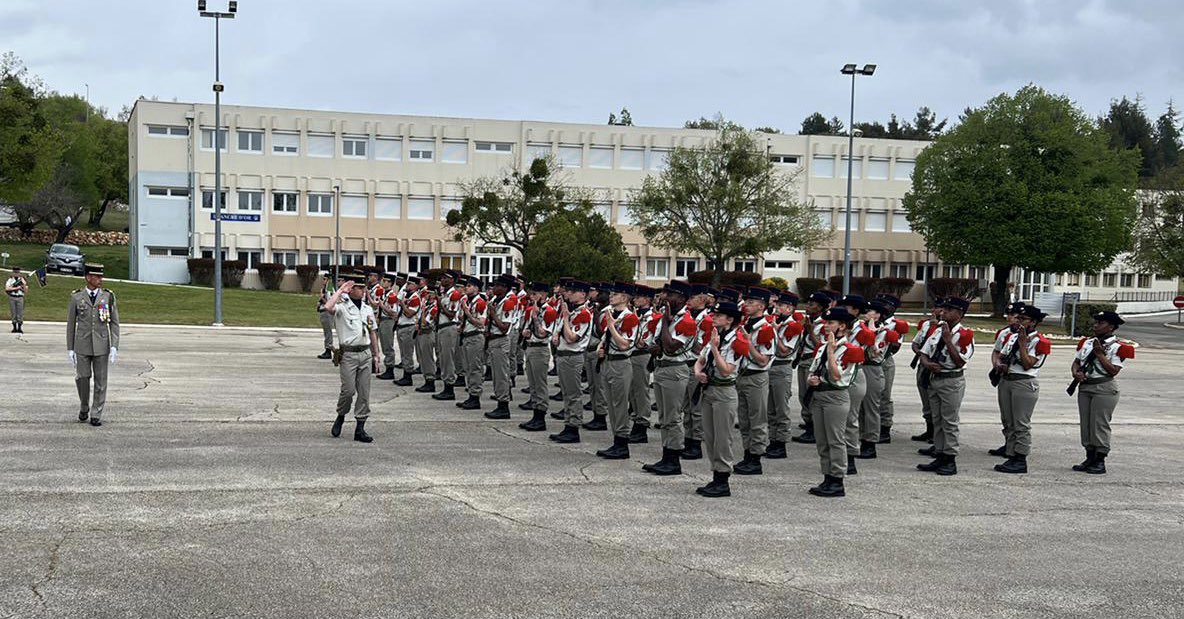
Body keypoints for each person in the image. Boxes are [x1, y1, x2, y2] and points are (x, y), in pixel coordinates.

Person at [691, 301, 748, 498]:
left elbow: (726, 370)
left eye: (719, 315)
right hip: (709, 390)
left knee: (723, 438)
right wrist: (698, 373)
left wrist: (715, 349)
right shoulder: (716, 337)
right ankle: (716, 476)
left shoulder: (737, 341)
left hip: (724, 392)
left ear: (730, 319)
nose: (714, 317)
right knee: (711, 436)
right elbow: (700, 360)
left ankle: (723, 480)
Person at [805, 307, 863, 498]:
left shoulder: (851, 350)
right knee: (822, 440)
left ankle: (837, 479)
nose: (826, 326)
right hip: (820, 395)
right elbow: (813, 371)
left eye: (831, 323)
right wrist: (811, 379)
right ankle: (827, 476)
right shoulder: (822, 347)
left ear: (842, 326)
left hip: (836, 397)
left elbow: (837, 375)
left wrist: (831, 352)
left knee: (835, 439)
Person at [641, 280, 698, 476]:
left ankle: (673, 459)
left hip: (675, 370)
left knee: (673, 418)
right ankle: (666, 456)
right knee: (664, 417)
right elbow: (654, 344)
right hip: (662, 368)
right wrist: (657, 345)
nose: (665, 297)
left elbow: (672, 346)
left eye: (670, 294)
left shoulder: (686, 321)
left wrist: (665, 321)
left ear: (681, 298)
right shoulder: (669, 318)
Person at [916, 297, 975, 476]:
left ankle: (950, 458)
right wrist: (927, 364)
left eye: (949, 310)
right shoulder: (937, 330)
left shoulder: (964, 335)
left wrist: (948, 341)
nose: (944, 312)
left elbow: (959, 361)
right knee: (938, 418)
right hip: (935, 378)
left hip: (951, 380)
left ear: (960, 314)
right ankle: (939, 453)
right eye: (944, 309)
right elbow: (924, 352)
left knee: (949, 421)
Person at [1070, 311, 1134, 475]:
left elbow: (1113, 370)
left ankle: (1100, 460)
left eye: (1101, 323)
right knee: (1086, 424)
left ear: (1111, 327)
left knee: (1099, 424)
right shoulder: (1087, 342)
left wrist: (1099, 354)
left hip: (1104, 388)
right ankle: (1089, 456)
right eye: (1096, 322)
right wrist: (1076, 373)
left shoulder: (1118, 347)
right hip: (1085, 387)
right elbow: (1077, 362)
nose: (1095, 325)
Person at [990, 304, 1051, 474]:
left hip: (1024, 383)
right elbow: (1001, 354)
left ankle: (1020, 458)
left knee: (1020, 423)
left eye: (1023, 319)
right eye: (1018, 318)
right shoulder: (1012, 337)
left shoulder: (1039, 341)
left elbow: (1027, 364)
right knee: (1008, 421)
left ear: (1033, 322)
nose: (1018, 321)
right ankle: (1010, 454)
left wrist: (1023, 344)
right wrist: (999, 364)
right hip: (1007, 379)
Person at [323, 273, 381, 443]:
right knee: (348, 391)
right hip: (348, 354)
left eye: (364, 287)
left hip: (365, 353)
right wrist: (341, 290)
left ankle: (360, 428)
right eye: (359, 288)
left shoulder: (367, 308)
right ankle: (341, 415)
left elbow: (372, 332)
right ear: (351, 289)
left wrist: (377, 355)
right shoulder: (342, 305)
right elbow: (328, 307)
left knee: (364, 392)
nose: (363, 291)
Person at [67, 264, 119, 427]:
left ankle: (96, 413)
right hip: (82, 344)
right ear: (88, 278)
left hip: (101, 344)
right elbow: (71, 324)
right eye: (96, 277)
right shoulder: (77, 297)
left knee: (101, 380)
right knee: (82, 377)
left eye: (101, 276)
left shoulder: (108, 296)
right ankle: (84, 406)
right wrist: (70, 347)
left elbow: (115, 323)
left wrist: (114, 345)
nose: (100, 280)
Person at [594, 283, 641, 459]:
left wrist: (612, 326)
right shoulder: (613, 314)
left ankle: (622, 444)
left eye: (615, 294)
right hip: (608, 362)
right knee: (612, 405)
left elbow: (624, 344)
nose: (611, 296)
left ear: (624, 297)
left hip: (621, 364)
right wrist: (600, 349)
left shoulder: (629, 318)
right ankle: (616, 440)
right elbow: (605, 337)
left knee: (620, 405)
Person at [733, 287, 776, 475]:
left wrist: (748, 343)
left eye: (751, 303)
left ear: (761, 305)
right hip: (742, 375)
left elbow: (763, 360)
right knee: (744, 420)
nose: (746, 306)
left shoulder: (765, 329)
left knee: (757, 420)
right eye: (746, 302)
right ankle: (747, 453)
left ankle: (756, 457)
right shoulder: (745, 325)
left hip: (756, 376)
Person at [854, 299, 900, 461]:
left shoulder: (884, 332)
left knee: (871, 408)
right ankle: (862, 438)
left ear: (878, 315)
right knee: (860, 408)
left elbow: (874, 353)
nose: (866, 314)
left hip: (872, 369)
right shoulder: (862, 328)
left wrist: (872, 333)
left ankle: (870, 442)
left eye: (870, 311)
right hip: (861, 368)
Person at [550, 280, 594, 443]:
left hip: (572, 355)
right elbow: (559, 333)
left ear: (583, 294)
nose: (568, 294)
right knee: (567, 394)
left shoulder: (583, 313)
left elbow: (571, 337)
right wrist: (556, 334)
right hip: (563, 354)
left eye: (573, 291)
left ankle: (573, 427)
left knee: (573, 394)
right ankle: (568, 424)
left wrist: (567, 318)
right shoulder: (570, 311)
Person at [767, 290, 804, 459]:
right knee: (770, 409)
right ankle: (772, 439)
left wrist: (774, 331)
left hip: (782, 367)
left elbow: (784, 351)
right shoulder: (775, 322)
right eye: (777, 304)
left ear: (789, 309)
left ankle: (781, 443)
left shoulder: (793, 326)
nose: (777, 308)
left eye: (781, 305)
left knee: (781, 407)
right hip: (769, 367)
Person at [679, 285, 714, 459]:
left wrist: (691, 339)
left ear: (701, 299)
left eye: (692, 298)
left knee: (696, 406)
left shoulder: (707, 320)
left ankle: (696, 442)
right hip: (685, 363)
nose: (689, 301)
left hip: (696, 363)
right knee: (686, 406)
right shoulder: (687, 316)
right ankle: (688, 438)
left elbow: (706, 348)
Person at [840, 295, 873, 475]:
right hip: (838, 375)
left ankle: (851, 456)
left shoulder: (861, 330)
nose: (843, 310)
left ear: (856, 311)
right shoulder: (840, 328)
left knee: (850, 418)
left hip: (852, 375)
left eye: (847, 307)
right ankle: (840, 456)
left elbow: (866, 345)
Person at [518, 282, 558, 431]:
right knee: (533, 385)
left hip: (540, 349)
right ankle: (535, 415)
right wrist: (526, 331)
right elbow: (529, 330)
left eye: (534, 294)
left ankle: (541, 417)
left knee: (540, 385)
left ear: (543, 295)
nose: (531, 296)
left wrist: (535, 317)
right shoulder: (533, 309)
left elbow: (543, 333)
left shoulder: (549, 311)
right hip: (530, 347)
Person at [791, 292, 829, 444]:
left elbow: (822, 346)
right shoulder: (809, 321)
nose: (807, 307)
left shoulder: (824, 324)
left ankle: (814, 428)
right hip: (803, 361)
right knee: (802, 395)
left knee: (810, 396)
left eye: (811, 304)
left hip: (813, 361)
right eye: (807, 304)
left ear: (820, 308)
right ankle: (808, 423)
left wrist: (811, 331)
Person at [872, 294, 908, 443]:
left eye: (886, 304)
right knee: (871, 397)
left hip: (885, 361)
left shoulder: (896, 325)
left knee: (884, 395)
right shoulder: (873, 321)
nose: (882, 307)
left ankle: (885, 427)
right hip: (871, 361)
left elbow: (895, 347)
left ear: (893, 308)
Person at [483, 274, 519, 419]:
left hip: (500, 340)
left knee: (501, 375)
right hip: (493, 339)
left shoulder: (508, 302)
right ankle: (500, 402)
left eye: (497, 285)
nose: (494, 288)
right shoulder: (496, 300)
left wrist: (493, 314)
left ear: (504, 287)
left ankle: (503, 406)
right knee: (497, 375)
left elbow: (504, 327)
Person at [628, 285, 660, 443]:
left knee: (640, 390)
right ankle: (636, 418)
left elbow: (646, 341)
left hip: (641, 355)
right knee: (632, 391)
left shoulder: (652, 318)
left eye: (639, 297)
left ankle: (642, 424)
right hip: (631, 354)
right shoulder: (634, 315)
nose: (635, 299)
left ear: (647, 299)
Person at [910, 302, 944, 443]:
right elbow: (915, 342)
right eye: (936, 307)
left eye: (940, 308)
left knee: (936, 402)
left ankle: (937, 434)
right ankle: (929, 430)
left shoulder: (945, 328)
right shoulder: (926, 325)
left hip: (936, 367)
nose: (936, 311)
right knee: (925, 399)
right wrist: (919, 353)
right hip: (923, 365)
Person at [456, 277, 489, 410]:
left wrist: (467, 314)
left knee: (475, 368)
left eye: (469, 286)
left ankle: (475, 396)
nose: (466, 288)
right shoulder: (467, 301)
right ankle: (471, 394)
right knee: (468, 367)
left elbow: (481, 323)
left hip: (475, 336)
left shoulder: (480, 303)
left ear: (476, 288)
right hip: (467, 336)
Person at [432, 270, 464, 401]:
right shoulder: (445, 294)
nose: (443, 280)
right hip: (441, 328)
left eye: (446, 278)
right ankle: (446, 385)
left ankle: (449, 387)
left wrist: (440, 304)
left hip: (448, 328)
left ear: (452, 280)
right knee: (443, 357)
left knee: (447, 358)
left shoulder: (454, 294)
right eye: (442, 278)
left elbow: (451, 315)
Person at [393, 276, 422, 386]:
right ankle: (406, 374)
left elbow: (409, 313)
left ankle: (408, 376)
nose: (407, 286)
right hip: (402, 326)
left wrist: (403, 305)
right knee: (404, 353)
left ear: (415, 286)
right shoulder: (407, 296)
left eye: (410, 284)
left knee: (407, 353)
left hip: (408, 327)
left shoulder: (415, 298)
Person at [413, 285, 439, 394]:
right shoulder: (427, 305)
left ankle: (430, 380)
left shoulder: (434, 307)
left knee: (427, 358)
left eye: (429, 293)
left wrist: (423, 310)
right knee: (422, 358)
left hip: (428, 333)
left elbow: (425, 322)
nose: (427, 296)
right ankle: (426, 378)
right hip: (421, 333)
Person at [376, 272, 400, 379]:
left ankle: (390, 368)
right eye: (383, 281)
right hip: (382, 320)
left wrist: (382, 306)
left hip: (388, 321)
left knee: (387, 345)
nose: (383, 283)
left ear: (391, 283)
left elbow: (393, 313)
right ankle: (388, 367)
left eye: (386, 281)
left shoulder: (392, 296)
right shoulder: (384, 294)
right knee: (384, 344)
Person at [315, 273, 336, 359]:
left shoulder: (329, 287)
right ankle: (328, 348)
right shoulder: (326, 288)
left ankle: (329, 349)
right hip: (323, 311)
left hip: (327, 312)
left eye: (324, 279)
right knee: (326, 331)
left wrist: (321, 298)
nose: (323, 281)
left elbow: (329, 301)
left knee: (328, 332)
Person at [6, 266, 28, 333]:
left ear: (19, 272)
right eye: (15, 272)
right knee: (13, 313)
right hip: (12, 297)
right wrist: (16, 288)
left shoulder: (22, 280)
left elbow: (26, 291)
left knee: (20, 313)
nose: (16, 273)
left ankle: (20, 328)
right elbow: (7, 289)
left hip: (20, 297)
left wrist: (23, 286)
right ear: (13, 272)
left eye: (17, 272)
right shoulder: (10, 280)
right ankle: (14, 327)